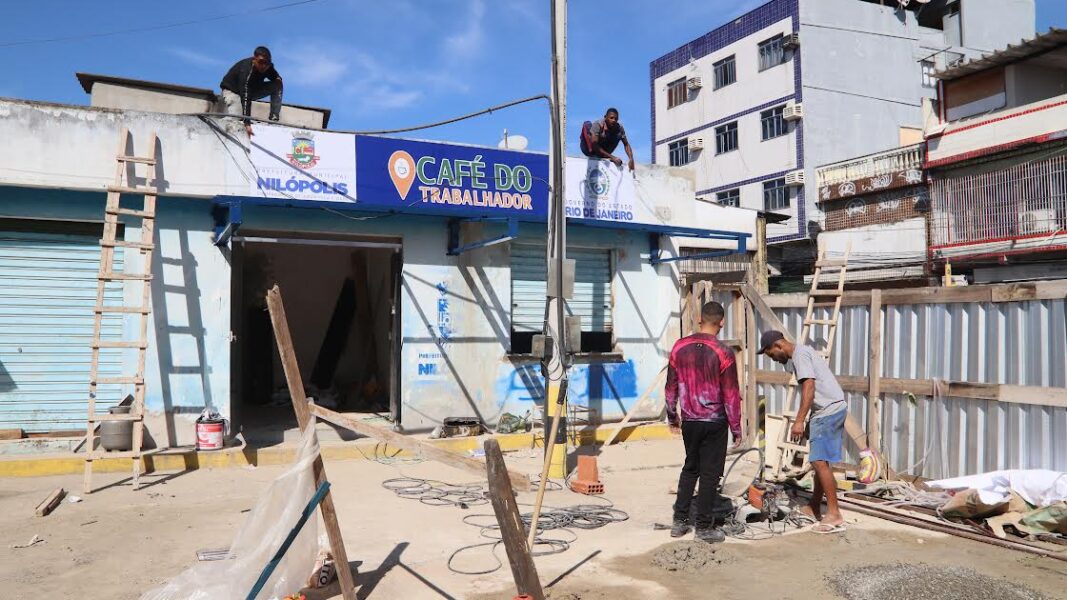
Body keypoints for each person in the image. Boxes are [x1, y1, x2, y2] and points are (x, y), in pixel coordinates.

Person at [665, 301, 743, 543]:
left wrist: (672, 415)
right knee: (710, 474)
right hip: (714, 420)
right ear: (721, 322)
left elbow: (670, 386)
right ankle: (703, 526)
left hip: (690, 419)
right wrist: (736, 426)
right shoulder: (723, 352)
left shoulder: (679, 347)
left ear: (699, 319)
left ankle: (679, 521)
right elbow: (730, 393)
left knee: (691, 468)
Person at [758, 330, 847, 534]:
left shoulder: (799, 356)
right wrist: (808, 420)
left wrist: (799, 421)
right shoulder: (803, 352)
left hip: (827, 410)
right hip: (829, 408)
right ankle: (815, 506)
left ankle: (834, 513)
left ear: (779, 346)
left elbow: (809, 387)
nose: (774, 360)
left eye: (772, 355)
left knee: (818, 461)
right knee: (820, 461)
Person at [220, 46, 283, 136]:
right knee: (237, 116)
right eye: (261, 62)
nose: (264, 66)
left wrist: (279, 78)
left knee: (278, 85)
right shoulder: (246, 70)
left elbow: (276, 77)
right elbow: (245, 96)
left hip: (252, 89)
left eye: (267, 63)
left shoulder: (268, 67)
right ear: (254, 59)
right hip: (233, 91)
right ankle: (218, 124)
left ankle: (274, 119)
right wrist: (247, 123)